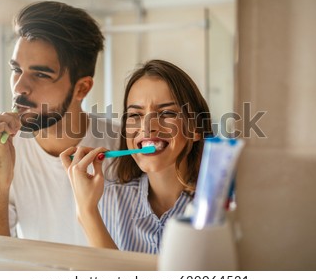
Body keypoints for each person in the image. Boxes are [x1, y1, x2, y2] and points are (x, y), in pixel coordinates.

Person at [0, 1, 120, 245]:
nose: (19, 87)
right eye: (16, 69)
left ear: (82, 88)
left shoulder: (126, 150)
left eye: (40, 74)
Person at [60, 59, 213, 253]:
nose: (147, 127)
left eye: (166, 113)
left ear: (195, 128)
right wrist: (87, 211)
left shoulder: (218, 206)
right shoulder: (109, 200)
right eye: (135, 115)